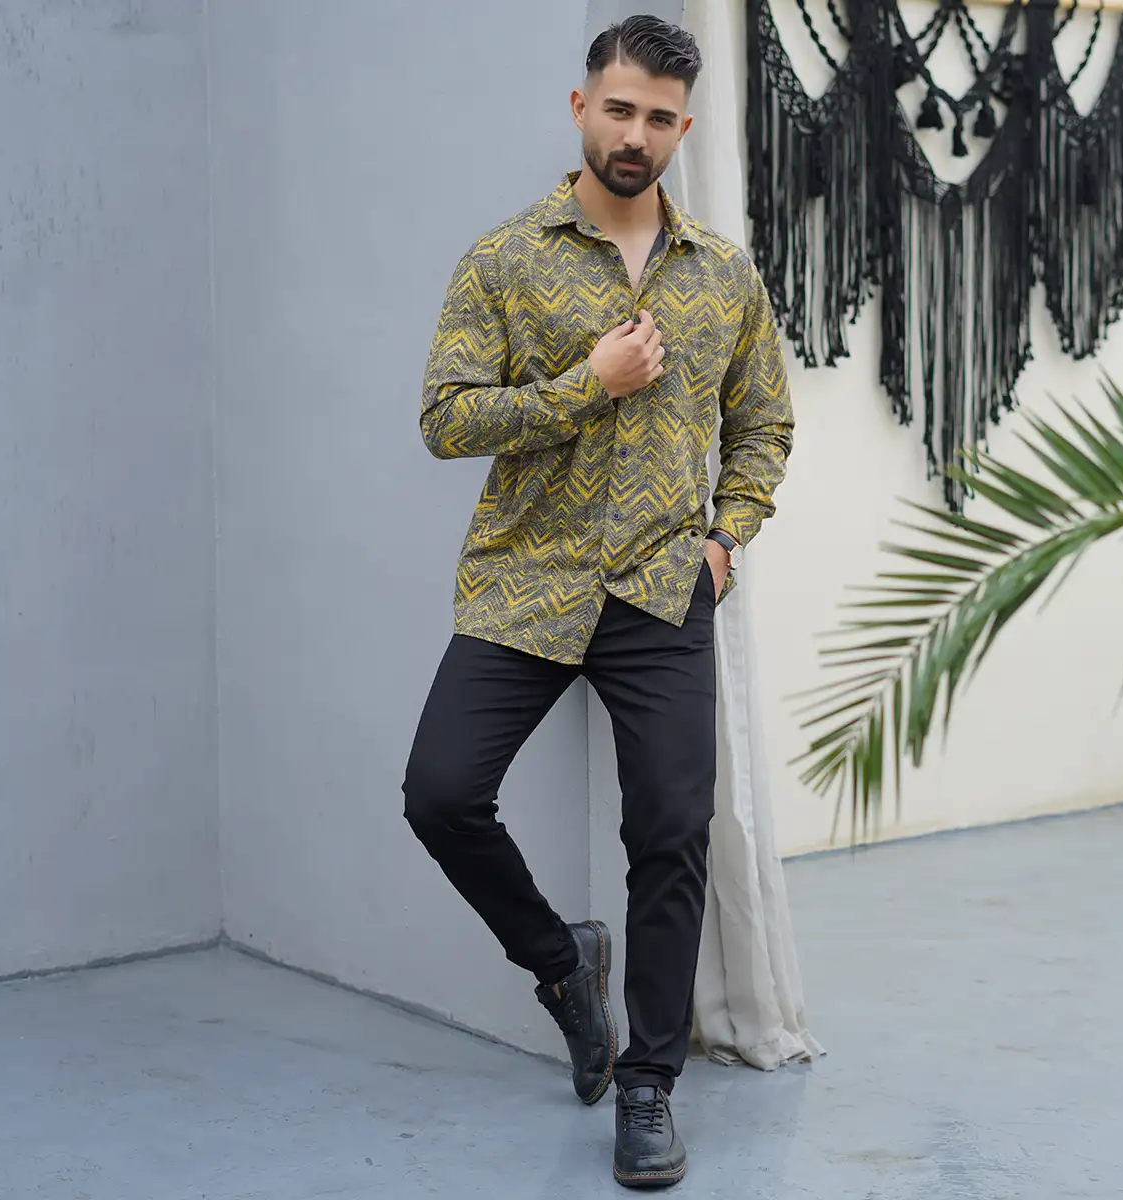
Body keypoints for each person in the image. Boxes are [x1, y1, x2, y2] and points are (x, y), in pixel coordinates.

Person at [403, 13, 793, 1189]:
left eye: (659, 118)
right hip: (527, 578)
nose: (636, 134)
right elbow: (445, 419)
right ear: (582, 108)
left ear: (683, 127)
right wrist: (589, 383)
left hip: (664, 589)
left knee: (670, 834)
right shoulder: (504, 258)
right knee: (441, 794)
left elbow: (763, 426)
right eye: (619, 109)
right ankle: (561, 964)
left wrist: (725, 542)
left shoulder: (723, 275)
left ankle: (648, 1085)